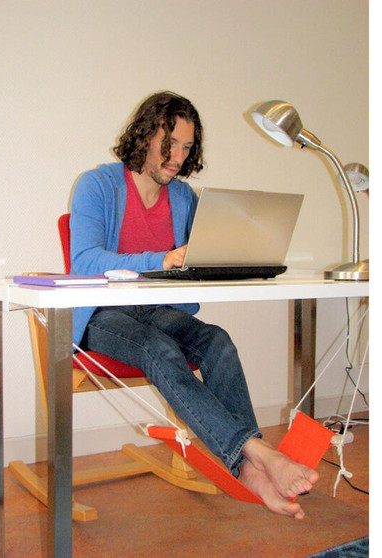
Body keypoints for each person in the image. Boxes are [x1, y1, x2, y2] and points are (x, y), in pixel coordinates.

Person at [69, 91, 319, 519]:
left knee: (217, 341)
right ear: (145, 136)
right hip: (102, 317)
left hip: (159, 311)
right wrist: (160, 259)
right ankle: (257, 455)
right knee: (159, 349)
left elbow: (205, 253)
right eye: (169, 144)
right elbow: (84, 260)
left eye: (186, 147)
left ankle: (247, 467)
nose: (177, 156)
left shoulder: (183, 199)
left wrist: (242, 258)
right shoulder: (98, 185)